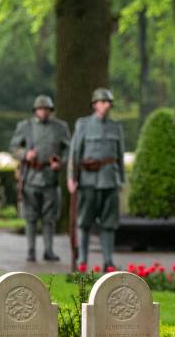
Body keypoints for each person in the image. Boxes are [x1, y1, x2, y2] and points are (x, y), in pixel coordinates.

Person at [66, 87, 125, 271]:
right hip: (88, 180)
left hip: (110, 180)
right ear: (95, 104)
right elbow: (74, 153)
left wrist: (121, 180)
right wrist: (71, 178)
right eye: (104, 102)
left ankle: (108, 261)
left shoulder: (116, 127)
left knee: (109, 223)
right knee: (84, 222)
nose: (107, 105)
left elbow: (120, 156)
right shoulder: (83, 125)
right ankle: (83, 260)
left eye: (109, 102)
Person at [10, 94, 71, 262]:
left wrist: (60, 162)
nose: (43, 112)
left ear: (50, 110)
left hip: (50, 178)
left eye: (46, 109)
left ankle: (49, 250)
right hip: (30, 177)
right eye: (40, 109)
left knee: (49, 218)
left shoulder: (60, 127)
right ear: (35, 110)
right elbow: (14, 147)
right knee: (30, 217)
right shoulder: (25, 126)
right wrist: (25, 154)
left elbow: (68, 149)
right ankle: (30, 250)